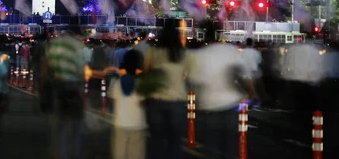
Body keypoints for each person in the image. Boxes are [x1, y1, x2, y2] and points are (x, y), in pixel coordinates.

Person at [188, 27, 257, 159]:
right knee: (231, 143)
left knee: (212, 145)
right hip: (230, 102)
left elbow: (194, 80)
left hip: (210, 104)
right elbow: (245, 74)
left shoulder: (201, 54)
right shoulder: (230, 50)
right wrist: (252, 92)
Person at [144, 24, 193, 159]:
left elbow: (146, 73)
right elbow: (187, 75)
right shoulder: (183, 54)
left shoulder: (153, 52)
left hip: (156, 101)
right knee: (175, 141)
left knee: (156, 141)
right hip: (176, 101)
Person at [42, 26, 86, 159]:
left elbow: (46, 65)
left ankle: (58, 154)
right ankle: (75, 154)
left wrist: (43, 88)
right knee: (76, 126)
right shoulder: (77, 46)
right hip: (74, 87)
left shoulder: (56, 44)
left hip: (58, 85)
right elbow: (81, 71)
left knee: (58, 125)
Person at [108, 50, 147, 159]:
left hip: (120, 123)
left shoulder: (116, 82)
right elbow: (144, 103)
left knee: (119, 154)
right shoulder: (142, 83)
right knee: (136, 154)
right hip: (137, 123)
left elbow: (112, 101)